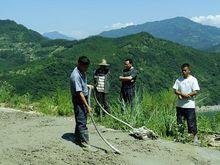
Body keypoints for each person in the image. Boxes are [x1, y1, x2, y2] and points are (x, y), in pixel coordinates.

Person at [70, 56, 94, 150]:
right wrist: (87, 105)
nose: (86, 69)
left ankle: (77, 137)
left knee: (81, 118)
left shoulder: (82, 71)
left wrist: (87, 86)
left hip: (84, 97)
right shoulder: (75, 76)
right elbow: (79, 93)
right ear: (80, 64)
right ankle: (85, 143)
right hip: (79, 99)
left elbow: (81, 85)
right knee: (82, 120)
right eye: (85, 67)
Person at [173, 63, 200, 145]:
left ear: (189, 70)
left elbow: (196, 91)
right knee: (179, 121)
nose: (183, 72)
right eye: (182, 70)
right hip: (180, 105)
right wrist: (181, 94)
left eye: (185, 70)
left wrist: (187, 95)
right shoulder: (179, 79)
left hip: (189, 105)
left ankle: (195, 138)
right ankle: (180, 136)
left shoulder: (193, 79)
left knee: (191, 122)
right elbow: (175, 90)